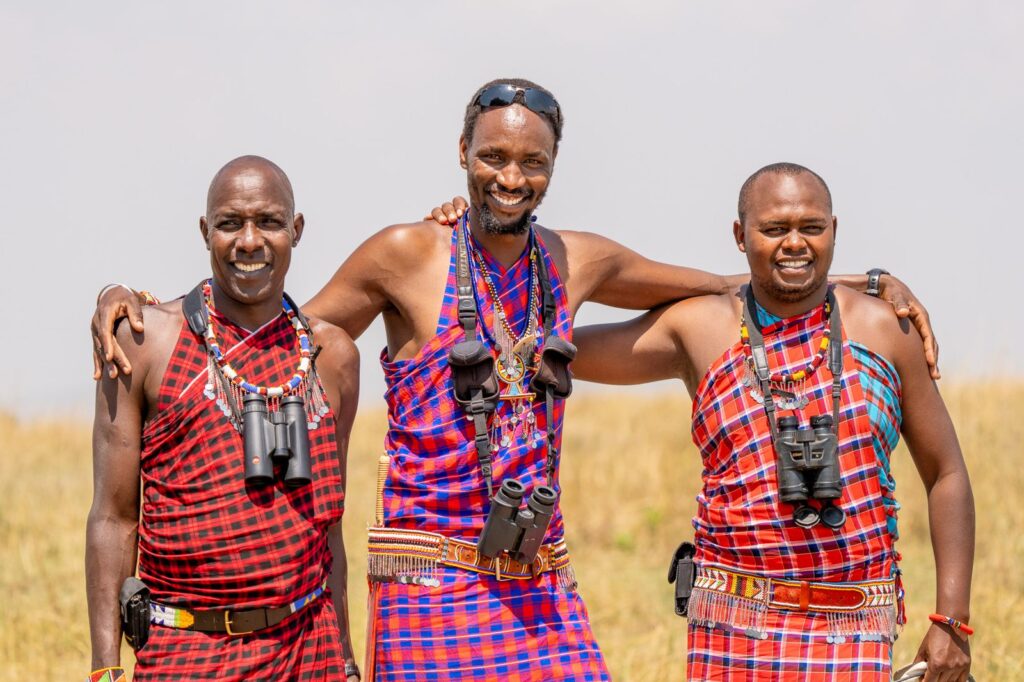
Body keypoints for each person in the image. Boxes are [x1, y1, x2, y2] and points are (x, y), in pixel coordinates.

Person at [89, 81, 937, 680]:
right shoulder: (406, 253)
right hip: (430, 576)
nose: (511, 177)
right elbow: (276, 325)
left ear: (555, 164)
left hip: (538, 576)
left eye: (532, 161)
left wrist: (860, 284)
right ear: (462, 153)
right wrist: (146, 305)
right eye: (492, 156)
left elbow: (723, 283)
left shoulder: (575, 259)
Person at [571, 162, 974, 680]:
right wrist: (470, 245)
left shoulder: (883, 329)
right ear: (740, 236)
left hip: (852, 623)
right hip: (732, 626)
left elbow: (947, 474)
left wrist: (952, 620)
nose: (795, 244)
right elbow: (558, 349)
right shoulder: (700, 327)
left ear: (835, 230)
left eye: (812, 228)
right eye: (774, 230)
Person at [85, 156, 362, 681]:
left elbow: (330, 530)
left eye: (270, 222)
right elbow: (113, 517)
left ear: (296, 230)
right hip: (189, 649)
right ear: (204, 231)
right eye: (231, 223)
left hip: (310, 647)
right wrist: (105, 670)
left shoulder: (334, 356)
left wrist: (345, 660)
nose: (250, 241)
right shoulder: (145, 342)